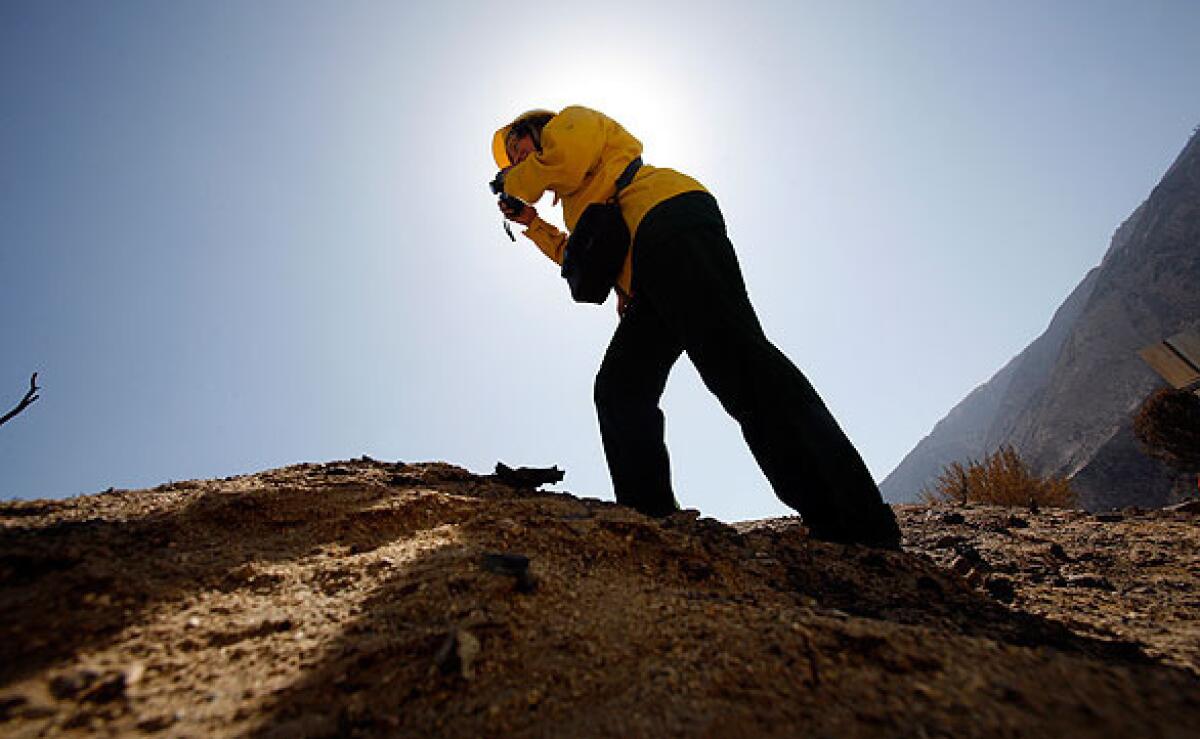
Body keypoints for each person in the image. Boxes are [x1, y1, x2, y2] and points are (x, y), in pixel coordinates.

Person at [492, 106, 901, 549]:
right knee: (620, 389)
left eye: (518, 149)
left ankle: (855, 521)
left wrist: (509, 183)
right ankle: (650, 519)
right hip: (647, 277)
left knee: (744, 371)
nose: (517, 162)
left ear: (536, 129)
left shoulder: (569, 124)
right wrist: (532, 225)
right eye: (511, 160)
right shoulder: (575, 200)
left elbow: (563, 161)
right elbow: (579, 258)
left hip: (669, 221)